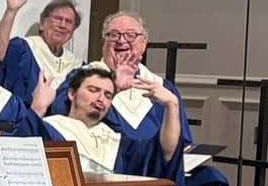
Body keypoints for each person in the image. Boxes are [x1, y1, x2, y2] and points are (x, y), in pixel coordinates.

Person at [48, 14, 227, 186]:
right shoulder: (84, 78)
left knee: (213, 179)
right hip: (116, 164)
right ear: (104, 42)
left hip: (157, 166)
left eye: (131, 35)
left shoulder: (162, 88)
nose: (121, 40)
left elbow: (183, 143)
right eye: (114, 35)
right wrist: (113, 86)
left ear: (144, 44)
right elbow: (67, 117)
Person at [43, 62, 184, 179]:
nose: (101, 98)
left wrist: (172, 106)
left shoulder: (117, 143)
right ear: (72, 94)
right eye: (93, 90)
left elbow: (164, 154)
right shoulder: (50, 129)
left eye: (108, 95)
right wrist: (39, 107)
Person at [0, 0, 83, 110]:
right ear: (42, 24)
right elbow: (0, 53)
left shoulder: (77, 66)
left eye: (69, 22)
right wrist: (11, 11)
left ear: (72, 32)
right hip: (22, 125)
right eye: (58, 19)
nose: (62, 25)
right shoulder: (23, 49)